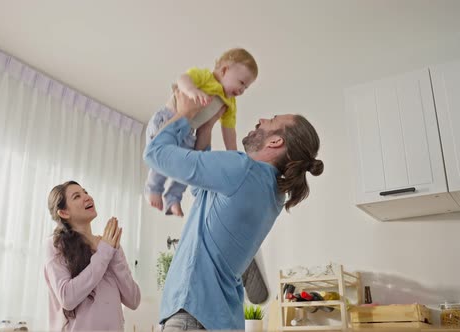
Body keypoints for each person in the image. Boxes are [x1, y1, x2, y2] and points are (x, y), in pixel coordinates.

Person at [143, 90, 324, 331]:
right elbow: (201, 189)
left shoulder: (243, 169)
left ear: (275, 141)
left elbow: (155, 154)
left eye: (271, 120)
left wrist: (185, 114)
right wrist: (206, 130)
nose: (261, 119)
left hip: (192, 314)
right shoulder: (272, 193)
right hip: (219, 319)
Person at [144, 48, 258, 217]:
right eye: (241, 83)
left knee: (188, 162)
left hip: (189, 131)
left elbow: (229, 131)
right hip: (168, 119)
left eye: (246, 88)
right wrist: (191, 90)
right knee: (164, 156)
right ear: (224, 70)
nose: (242, 90)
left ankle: (173, 197)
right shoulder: (206, 77)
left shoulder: (230, 103)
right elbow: (182, 79)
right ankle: (153, 189)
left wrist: (233, 156)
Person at [44, 181, 141, 331]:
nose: (88, 197)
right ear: (64, 213)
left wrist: (113, 254)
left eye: (85, 192)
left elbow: (134, 300)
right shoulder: (55, 245)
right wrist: (105, 252)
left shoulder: (108, 245)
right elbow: (67, 298)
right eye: (77, 196)